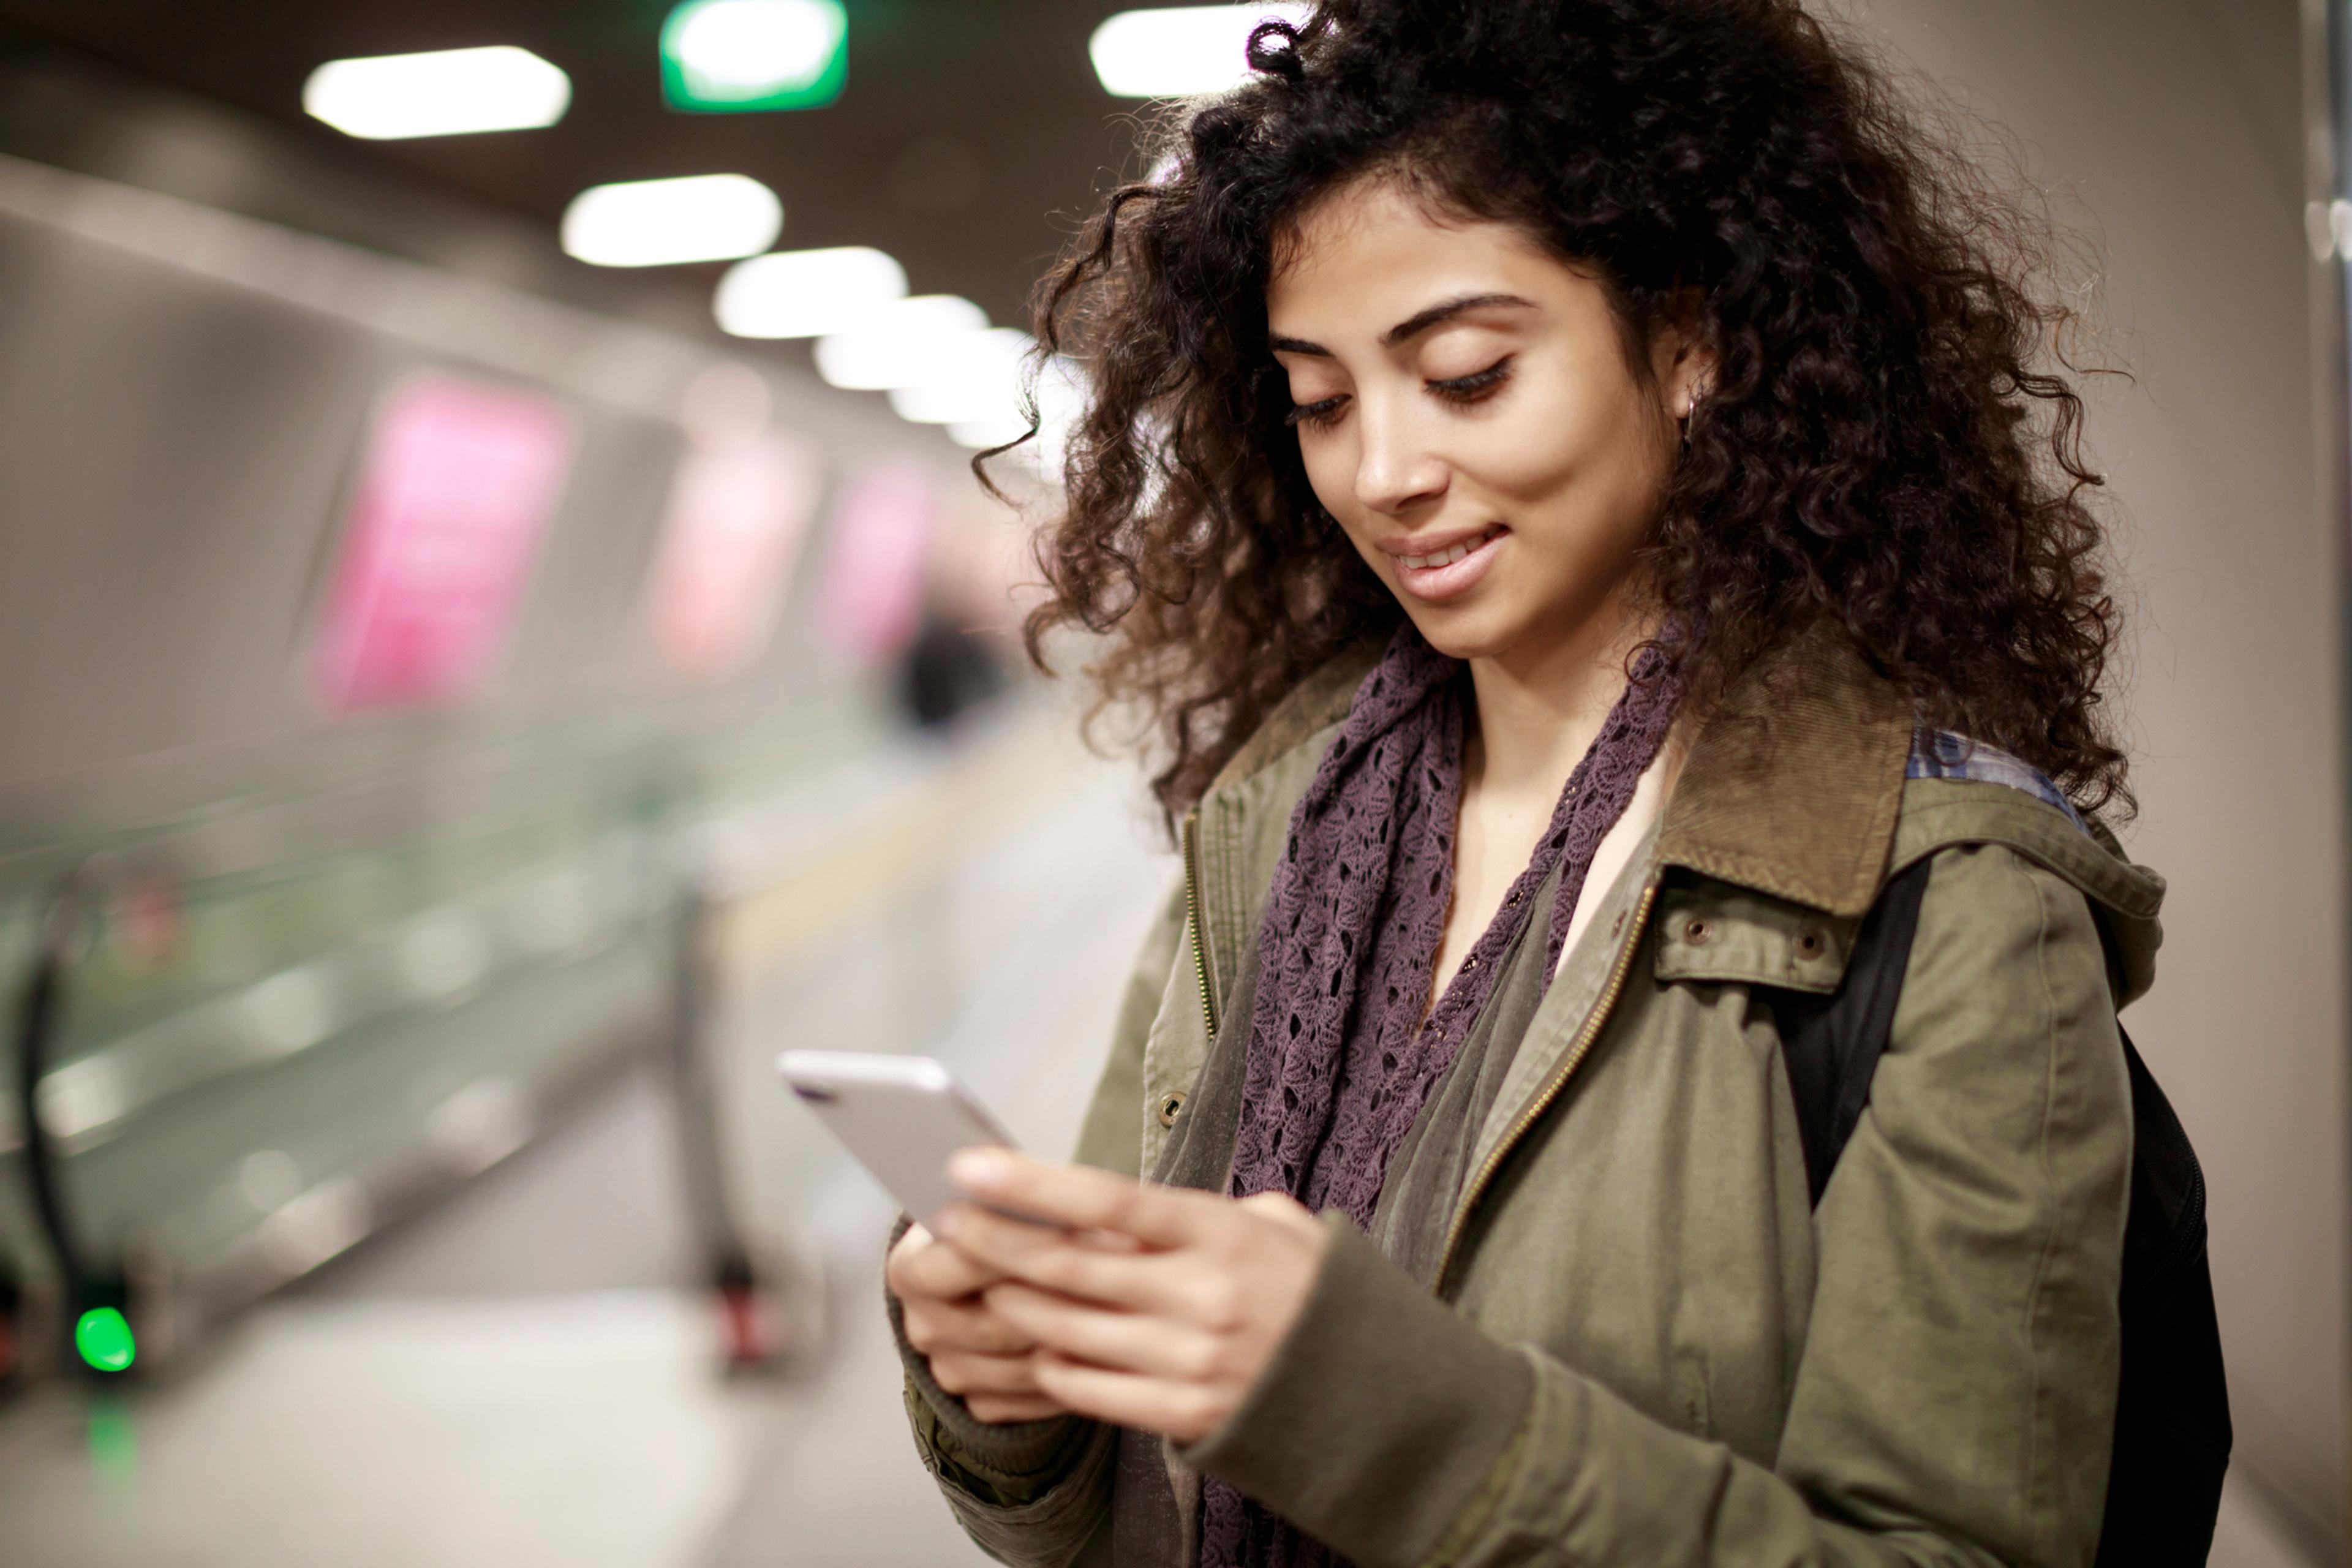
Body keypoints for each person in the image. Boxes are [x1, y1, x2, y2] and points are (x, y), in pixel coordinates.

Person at [886, 1, 2155, 1563]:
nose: (1384, 471)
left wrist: (1373, 1404)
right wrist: (1007, 1388)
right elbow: (1104, 1515)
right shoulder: (1274, 819)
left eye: (1469, 375)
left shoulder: (1949, 900)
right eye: (1322, 401)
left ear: (1689, 345)